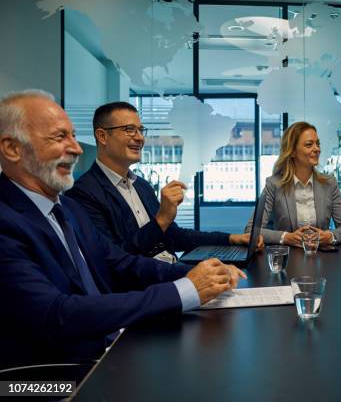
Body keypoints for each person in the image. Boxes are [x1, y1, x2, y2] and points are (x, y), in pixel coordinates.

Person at [0, 90, 245, 368]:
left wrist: (195, 274)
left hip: (112, 339)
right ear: (12, 149)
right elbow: (58, 314)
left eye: (73, 135)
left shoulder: (68, 208)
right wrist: (185, 289)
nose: (78, 148)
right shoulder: (13, 219)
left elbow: (119, 262)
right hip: (46, 379)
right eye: (59, 137)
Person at [66, 102, 262, 262]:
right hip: (145, 288)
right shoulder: (83, 193)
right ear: (102, 136)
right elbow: (114, 260)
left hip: (172, 269)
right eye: (129, 129)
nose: (140, 137)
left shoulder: (141, 185)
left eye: (141, 130)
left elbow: (174, 236)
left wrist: (231, 238)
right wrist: (162, 219)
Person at [247, 121, 341, 246]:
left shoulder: (329, 184)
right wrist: (286, 237)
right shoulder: (274, 185)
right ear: (292, 151)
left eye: (318, 144)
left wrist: (330, 236)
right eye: (309, 145)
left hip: (322, 259)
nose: (317, 149)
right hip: (287, 259)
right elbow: (251, 230)